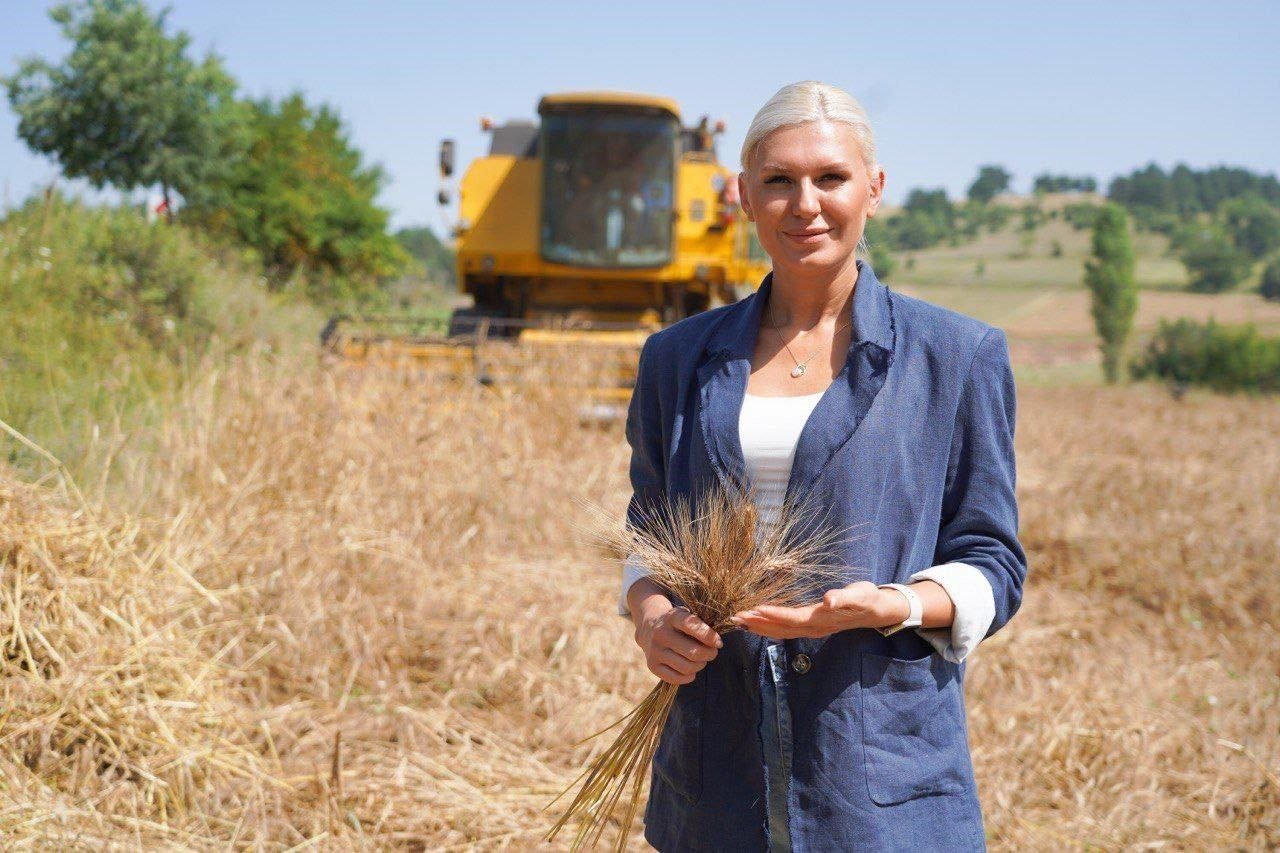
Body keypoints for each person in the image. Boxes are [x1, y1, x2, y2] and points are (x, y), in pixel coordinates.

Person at [617, 81, 1027, 851]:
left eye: (830, 178)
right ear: (743, 196)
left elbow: (993, 561)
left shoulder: (958, 356)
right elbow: (649, 537)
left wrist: (893, 605)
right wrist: (651, 616)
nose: (805, 203)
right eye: (779, 180)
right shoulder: (675, 359)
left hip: (877, 785)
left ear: (872, 189)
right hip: (713, 774)